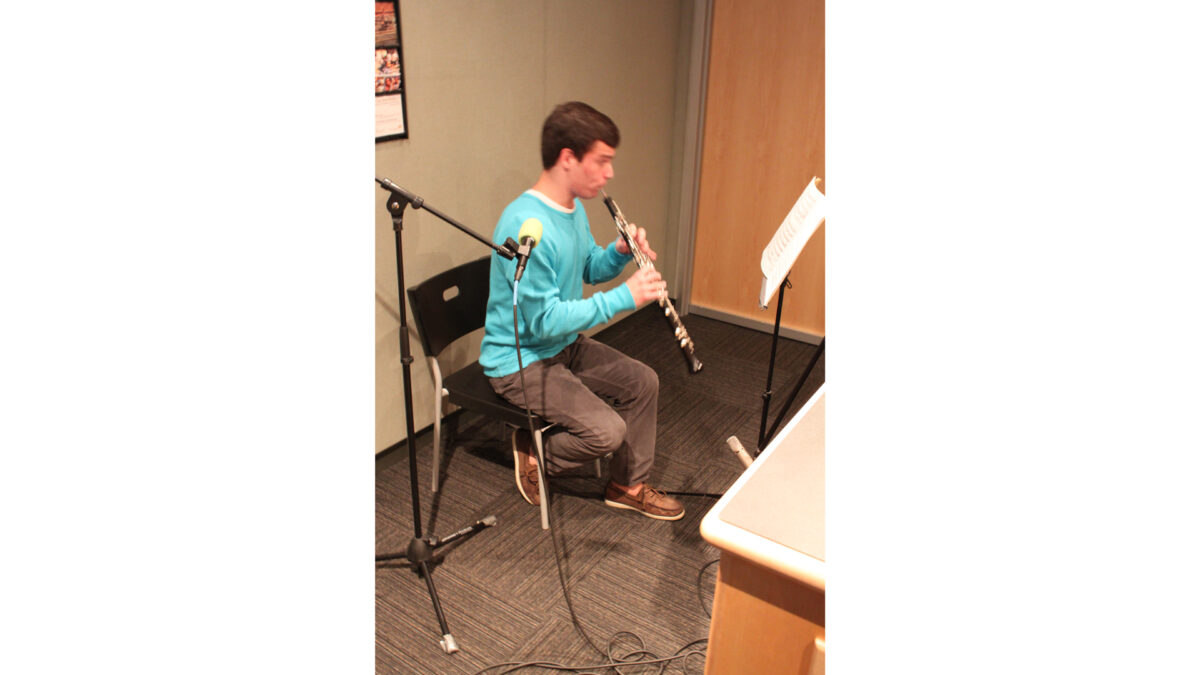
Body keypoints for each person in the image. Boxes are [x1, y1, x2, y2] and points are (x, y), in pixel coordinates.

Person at [480, 101, 683, 521]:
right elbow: (543, 319)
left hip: (562, 346)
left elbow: (589, 266)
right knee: (608, 431)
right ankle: (534, 452)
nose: (609, 173)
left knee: (643, 382)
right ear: (568, 158)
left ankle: (626, 485)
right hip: (520, 361)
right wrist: (624, 298)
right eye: (601, 161)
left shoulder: (572, 208)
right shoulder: (526, 225)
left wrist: (620, 252)